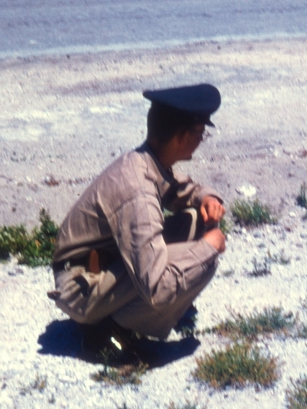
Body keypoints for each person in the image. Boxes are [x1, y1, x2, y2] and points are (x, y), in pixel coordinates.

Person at [47, 83, 226, 357]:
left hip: (103, 265)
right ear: (181, 137)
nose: (202, 140)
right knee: (205, 258)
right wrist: (208, 247)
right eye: (200, 133)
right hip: (81, 285)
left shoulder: (145, 160)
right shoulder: (137, 189)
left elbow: (182, 189)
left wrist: (208, 199)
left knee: (194, 219)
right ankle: (110, 329)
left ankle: (145, 315)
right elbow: (156, 287)